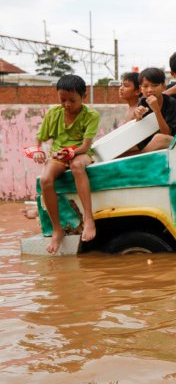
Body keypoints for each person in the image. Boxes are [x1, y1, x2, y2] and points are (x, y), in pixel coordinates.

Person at [27, 75, 100, 254]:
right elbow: (40, 138)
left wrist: (72, 152)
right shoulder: (53, 113)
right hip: (58, 155)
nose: (67, 104)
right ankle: (57, 229)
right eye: (62, 100)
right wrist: (37, 150)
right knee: (45, 179)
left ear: (83, 96)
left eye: (72, 100)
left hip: (80, 153)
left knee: (77, 166)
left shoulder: (91, 115)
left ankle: (89, 219)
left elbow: (86, 145)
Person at [127, 67, 176, 155]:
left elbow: (166, 133)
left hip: (174, 142)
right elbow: (140, 132)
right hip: (150, 142)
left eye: (155, 85)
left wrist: (156, 110)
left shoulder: (171, 103)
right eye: (145, 86)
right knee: (126, 144)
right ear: (140, 88)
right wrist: (138, 117)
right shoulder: (143, 102)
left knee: (159, 138)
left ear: (163, 87)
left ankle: (140, 161)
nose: (150, 90)